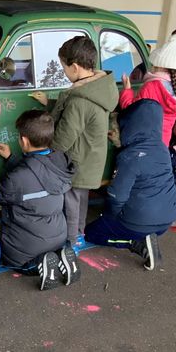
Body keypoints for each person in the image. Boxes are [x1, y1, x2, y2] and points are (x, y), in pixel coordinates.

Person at [31, 36, 119, 249]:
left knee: (70, 203)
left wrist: (43, 154)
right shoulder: (97, 88)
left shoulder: (80, 101)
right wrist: (49, 102)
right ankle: (78, 233)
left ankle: (71, 242)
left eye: (63, 67)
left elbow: (64, 137)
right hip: (91, 159)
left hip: (77, 162)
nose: (63, 72)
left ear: (76, 67)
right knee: (80, 201)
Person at [84, 100, 176, 270]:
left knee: (91, 233)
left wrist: (109, 216)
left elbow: (117, 195)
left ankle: (136, 243)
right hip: (167, 221)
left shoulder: (130, 156)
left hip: (138, 223)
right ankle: (145, 237)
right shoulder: (162, 148)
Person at [0, 110, 79, 291]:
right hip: (58, 235)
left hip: (26, 247)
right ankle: (61, 255)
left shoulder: (16, 178)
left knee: (13, 261)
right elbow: (37, 171)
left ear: (24, 141)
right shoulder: (60, 161)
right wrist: (10, 159)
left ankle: (39, 264)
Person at [121, 33, 176, 146]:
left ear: (160, 65)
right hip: (163, 144)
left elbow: (131, 110)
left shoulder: (152, 86)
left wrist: (127, 90)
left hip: (143, 141)